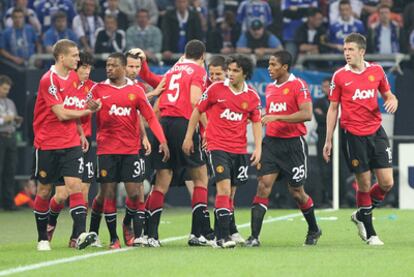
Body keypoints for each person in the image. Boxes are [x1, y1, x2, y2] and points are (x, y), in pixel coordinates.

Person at [323, 32, 398, 245]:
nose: (346, 53)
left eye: (351, 50)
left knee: (386, 183)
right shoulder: (339, 76)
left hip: (376, 131)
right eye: (345, 50)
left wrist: (394, 100)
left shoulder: (377, 70)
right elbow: (333, 109)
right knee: (363, 184)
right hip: (353, 135)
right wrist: (328, 140)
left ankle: (360, 215)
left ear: (361, 52)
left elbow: (388, 95)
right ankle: (371, 232)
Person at [89, 52, 169, 249]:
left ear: (123, 68)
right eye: (107, 65)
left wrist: (162, 140)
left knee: (134, 193)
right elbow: (85, 106)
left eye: (113, 65)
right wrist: (89, 107)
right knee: (109, 192)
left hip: (130, 149)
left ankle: (127, 224)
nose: (108, 68)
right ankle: (113, 238)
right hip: (107, 148)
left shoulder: (136, 91)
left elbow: (149, 117)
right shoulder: (98, 89)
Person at [183, 54, 262, 248]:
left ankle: (223, 233)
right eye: (230, 70)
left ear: (245, 73)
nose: (231, 74)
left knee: (231, 195)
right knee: (223, 189)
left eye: (236, 70)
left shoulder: (252, 96)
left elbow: (257, 122)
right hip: (217, 147)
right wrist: (188, 136)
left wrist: (259, 147)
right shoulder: (215, 89)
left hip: (239, 149)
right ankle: (223, 237)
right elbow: (197, 111)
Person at [245, 50, 321, 247]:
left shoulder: (299, 85)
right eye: (269, 65)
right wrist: (262, 116)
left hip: (293, 145)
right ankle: (254, 237)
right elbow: (272, 113)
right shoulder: (270, 87)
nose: (269, 69)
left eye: (273, 65)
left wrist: (276, 117)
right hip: (272, 143)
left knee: (296, 192)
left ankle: (314, 228)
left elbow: (306, 114)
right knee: (263, 185)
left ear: (285, 67)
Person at [32, 39, 101, 251]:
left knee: (75, 187)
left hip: (71, 142)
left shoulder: (72, 77)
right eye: (74, 55)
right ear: (62, 57)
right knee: (44, 191)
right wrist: (89, 112)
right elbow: (61, 113)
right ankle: (43, 237)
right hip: (47, 143)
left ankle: (80, 235)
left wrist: (80, 132)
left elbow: (71, 107)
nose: (78, 59)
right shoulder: (48, 80)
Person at [144, 39, 208, 247]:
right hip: (183, 123)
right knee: (200, 179)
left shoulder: (172, 71)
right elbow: (194, 101)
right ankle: (197, 234)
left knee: (161, 181)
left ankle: (150, 236)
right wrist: (207, 128)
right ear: (203, 56)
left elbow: (158, 103)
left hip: (164, 123)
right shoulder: (198, 71)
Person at [0, 75, 22, 211]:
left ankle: (8, 203)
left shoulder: (10, 103)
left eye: (8, 89)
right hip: (0, 136)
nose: (6, 91)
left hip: (11, 137)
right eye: (4, 88)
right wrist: (6, 119)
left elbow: (13, 121)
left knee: (10, 170)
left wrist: (16, 121)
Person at [313, 77, 332, 206]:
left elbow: (340, 120)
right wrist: (330, 117)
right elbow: (320, 119)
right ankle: (325, 198)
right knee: (323, 169)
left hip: (338, 139)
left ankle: (340, 197)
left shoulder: (339, 101)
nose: (325, 89)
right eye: (323, 86)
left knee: (338, 168)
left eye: (327, 86)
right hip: (322, 139)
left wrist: (327, 116)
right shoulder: (318, 102)